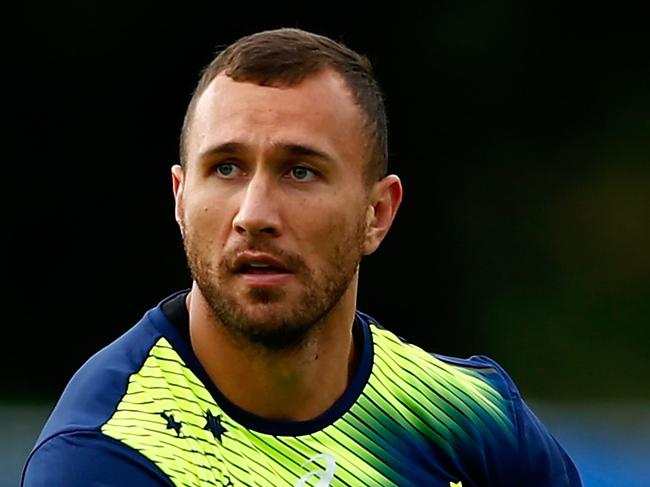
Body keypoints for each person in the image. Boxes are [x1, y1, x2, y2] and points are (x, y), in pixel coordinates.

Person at [22, 27, 582, 486]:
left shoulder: (471, 424)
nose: (254, 213)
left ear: (377, 214)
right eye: (226, 168)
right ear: (180, 199)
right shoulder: (108, 453)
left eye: (300, 171)